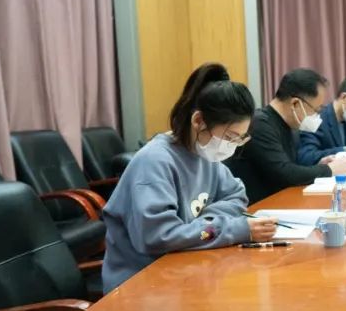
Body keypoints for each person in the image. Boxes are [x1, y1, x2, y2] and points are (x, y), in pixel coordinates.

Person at [101, 63, 278, 293]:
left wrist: (204, 223)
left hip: (183, 268)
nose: (232, 146)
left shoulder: (203, 154)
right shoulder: (155, 162)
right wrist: (236, 229)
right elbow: (159, 237)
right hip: (140, 285)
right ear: (198, 121)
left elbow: (236, 195)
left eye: (240, 139)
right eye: (229, 137)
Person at [229, 68, 346, 203]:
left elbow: (291, 167)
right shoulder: (260, 124)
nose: (317, 116)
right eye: (316, 110)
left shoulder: (291, 126)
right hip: (255, 207)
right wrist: (328, 170)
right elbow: (284, 174)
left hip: (280, 202)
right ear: (295, 103)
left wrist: (319, 165)